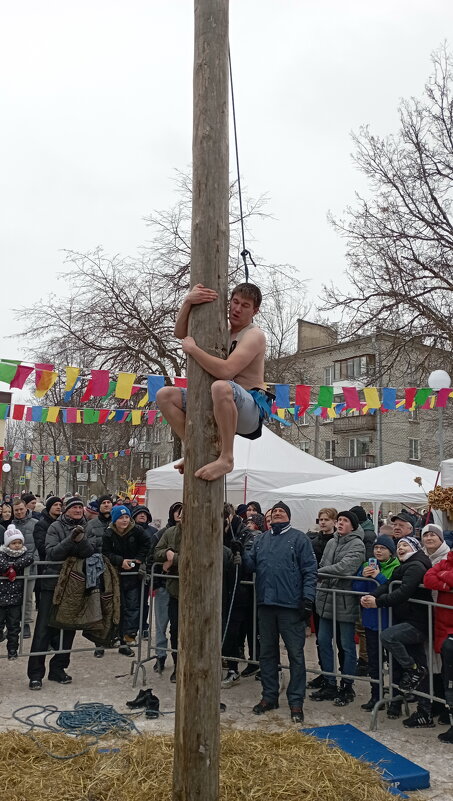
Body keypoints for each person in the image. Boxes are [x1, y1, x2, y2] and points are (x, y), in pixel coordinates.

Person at [156, 282, 272, 481]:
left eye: (245, 305)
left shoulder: (254, 335)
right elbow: (180, 333)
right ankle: (192, 448)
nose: (236, 308)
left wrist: (194, 350)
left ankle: (227, 457)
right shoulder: (221, 327)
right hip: (219, 399)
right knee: (165, 395)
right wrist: (187, 302)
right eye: (235, 302)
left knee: (221, 385)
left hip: (249, 410)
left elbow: (226, 371)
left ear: (255, 311)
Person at [238, 501, 318, 723]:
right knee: (267, 653)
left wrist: (308, 598)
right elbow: (250, 565)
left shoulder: (300, 538)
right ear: (269, 518)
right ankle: (269, 695)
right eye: (274, 512)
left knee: (296, 655)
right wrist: (241, 552)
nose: (277, 514)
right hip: (266, 603)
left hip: (290, 605)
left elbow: (310, 570)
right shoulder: (261, 539)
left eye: (282, 511)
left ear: (289, 517)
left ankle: (295, 701)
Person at [361, 536, 433, 727]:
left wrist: (378, 602)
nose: (400, 548)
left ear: (414, 548)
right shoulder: (405, 566)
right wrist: (372, 595)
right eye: (399, 545)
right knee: (421, 665)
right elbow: (387, 585)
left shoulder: (416, 565)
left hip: (417, 622)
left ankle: (413, 671)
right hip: (408, 618)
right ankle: (424, 712)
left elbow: (404, 591)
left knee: (388, 637)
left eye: (405, 545)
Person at [27, 496, 97, 689]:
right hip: (53, 583)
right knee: (43, 630)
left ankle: (58, 669)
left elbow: (90, 551)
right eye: (73, 507)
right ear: (66, 510)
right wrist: (70, 539)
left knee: (68, 629)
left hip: (75, 585)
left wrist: (80, 539)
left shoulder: (88, 527)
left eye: (79, 507)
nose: (77, 510)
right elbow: (51, 553)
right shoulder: (54, 527)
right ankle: (35, 673)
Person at [311, 510, 365, 706]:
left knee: (347, 645)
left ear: (353, 525)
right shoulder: (332, 542)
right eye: (340, 520)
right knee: (323, 641)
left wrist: (318, 573)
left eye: (345, 521)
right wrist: (323, 574)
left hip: (344, 601)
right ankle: (329, 681)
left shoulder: (357, 544)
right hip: (326, 599)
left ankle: (347, 684)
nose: (341, 523)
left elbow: (345, 568)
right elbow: (326, 563)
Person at [352, 535, 399, 709]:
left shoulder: (396, 567)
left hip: (390, 621)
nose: (378, 551)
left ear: (390, 551)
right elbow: (356, 589)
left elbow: (392, 589)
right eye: (376, 548)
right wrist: (362, 577)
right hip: (371, 620)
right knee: (374, 661)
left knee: (394, 664)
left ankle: (395, 699)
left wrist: (378, 577)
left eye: (383, 548)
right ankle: (376, 696)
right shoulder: (367, 566)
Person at [102, 505, 149, 656]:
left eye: (127, 517)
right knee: (115, 608)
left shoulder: (137, 530)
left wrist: (139, 559)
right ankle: (106, 640)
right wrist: (120, 561)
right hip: (114, 576)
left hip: (133, 575)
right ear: (115, 520)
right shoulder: (108, 533)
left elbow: (147, 544)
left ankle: (128, 637)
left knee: (133, 606)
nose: (124, 520)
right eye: (121, 518)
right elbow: (106, 552)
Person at [424, 549, 453, 743]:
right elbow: (428, 578)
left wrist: (443, 580)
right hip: (445, 628)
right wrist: (445, 582)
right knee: (448, 677)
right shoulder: (446, 560)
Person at [150, 502, 183, 673]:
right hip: (165, 585)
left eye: (182, 511)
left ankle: (180, 663)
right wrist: (166, 555)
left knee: (178, 628)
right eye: (176, 511)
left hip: (182, 586)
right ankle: (160, 656)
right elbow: (155, 553)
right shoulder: (165, 532)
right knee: (162, 625)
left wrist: (173, 559)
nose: (179, 514)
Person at [0, 524, 34, 658]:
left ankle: (12, 651)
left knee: (14, 627)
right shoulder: (2, 553)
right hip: (1, 597)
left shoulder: (24, 554)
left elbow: (30, 558)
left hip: (15, 598)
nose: (17, 545)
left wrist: (12, 566)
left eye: (19, 542)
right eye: (14, 543)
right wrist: (8, 570)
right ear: (8, 544)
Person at [11, 498, 37, 638]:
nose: (19, 512)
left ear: (25, 508)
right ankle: (13, 625)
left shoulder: (35, 524)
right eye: (16, 510)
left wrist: (34, 561)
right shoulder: (11, 526)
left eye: (21, 509)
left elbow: (38, 546)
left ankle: (26, 623)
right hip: (14, 569)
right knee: (14, 597)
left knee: (27, 597)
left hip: (30, 567)